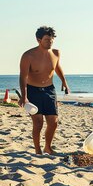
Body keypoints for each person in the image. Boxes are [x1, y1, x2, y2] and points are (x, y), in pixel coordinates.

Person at [18, 26, 70, 154]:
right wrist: (24, 96)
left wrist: (64, 82)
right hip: (33, 91)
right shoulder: (28, 55)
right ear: (38, 39)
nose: (50, 42)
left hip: (49, 91)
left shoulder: (56, 53)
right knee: (38, 122)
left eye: (52, 39)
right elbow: (23, 76)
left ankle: (48, 147)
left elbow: (57, 67)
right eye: (47, 39)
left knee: (53, 122)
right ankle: (37, 150)